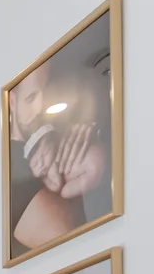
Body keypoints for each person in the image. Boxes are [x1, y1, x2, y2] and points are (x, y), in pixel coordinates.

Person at [8, 58, 111, 255]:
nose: (39, 108)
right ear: (12, 102)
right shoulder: (9, 170)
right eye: (30, 98)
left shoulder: (66, 134)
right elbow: (73, 248)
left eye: (46, 94)